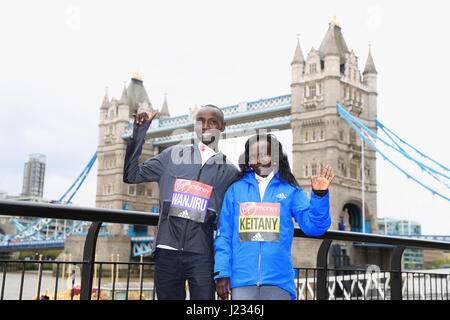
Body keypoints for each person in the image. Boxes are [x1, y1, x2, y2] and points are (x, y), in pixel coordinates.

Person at [123, 105, 239, 300]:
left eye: (212, 121)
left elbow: (234, 220)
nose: (205, 126)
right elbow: (131, 175)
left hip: (202, 255)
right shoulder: (171, 156)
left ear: (222, 127)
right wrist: (139, 133)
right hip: (166, 252)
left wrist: (224, 271)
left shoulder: (230, 172)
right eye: (200, 121)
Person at [214, 133, 334, 300]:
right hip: (241, 281)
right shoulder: (235, 190)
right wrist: (222, 272)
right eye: (253, 156)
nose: (258, 160)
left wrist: (320, 195)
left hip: (279, 281)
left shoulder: (290, 190)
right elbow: (224, 236)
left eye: (264, 155)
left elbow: (314, 227)